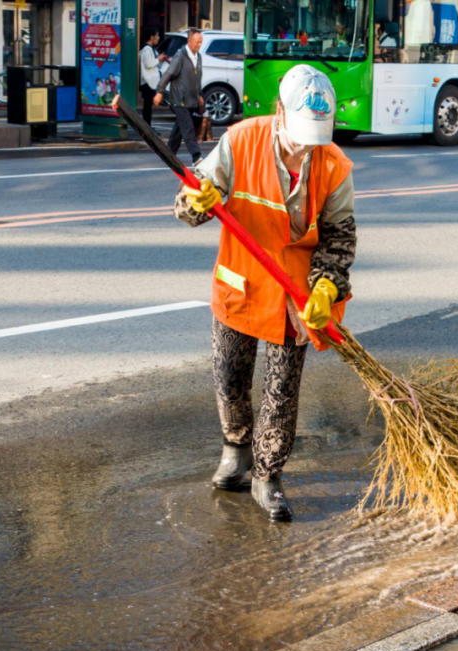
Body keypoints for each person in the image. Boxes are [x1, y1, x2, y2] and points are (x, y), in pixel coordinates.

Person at [172, 65, 357, 522]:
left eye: (315, 136)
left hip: (293, 295)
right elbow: (188, 202)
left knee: (281, 391)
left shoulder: (334, 165)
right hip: (241, 282)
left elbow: (339, 237)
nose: (304, 147)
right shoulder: (241, 140)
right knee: (230, 377)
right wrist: (197, 202)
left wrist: (327, 285)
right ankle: (236, 453)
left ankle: (267, 475)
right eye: (298, 134)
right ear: (279, 111)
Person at [154, 28, 205, 164]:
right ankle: (196, 156)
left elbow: (198, 77)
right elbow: (169, 74)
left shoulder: (198, 57)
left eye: (201, 42)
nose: (199, 45)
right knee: (188, 128)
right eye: (197, 42)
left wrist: (200, 94)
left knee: (179, 128)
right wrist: (160, 91)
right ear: (189, 41)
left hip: (191, 100)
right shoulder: (180, 56)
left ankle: (168, 154)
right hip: (179, 100)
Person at [139, 28, 166, 125]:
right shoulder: (147, 49)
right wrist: (158, 59)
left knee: (148, 106)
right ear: (152, 37)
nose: (158, 38)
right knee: (148, 106)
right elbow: (148, 64)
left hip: (149, 81)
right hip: (147, 81)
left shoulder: (150, 49)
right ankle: (147, 127)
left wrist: (159, 59)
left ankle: (147, 126)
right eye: (157, 35)